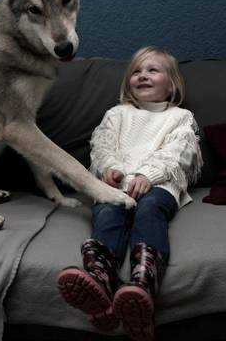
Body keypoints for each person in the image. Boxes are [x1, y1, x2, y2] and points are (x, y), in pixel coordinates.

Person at [56, 46, 203, 340]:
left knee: (149, 211)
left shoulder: (180, 117)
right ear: (127, 84)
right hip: (114, 187)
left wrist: (149, 174)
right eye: (136, 71)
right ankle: (100, 276)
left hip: (159, 185)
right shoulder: (117, 114)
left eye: (152, 70)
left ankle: (143, 282)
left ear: (171, 84)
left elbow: (181, 152)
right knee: (107, 213)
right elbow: (102, 145)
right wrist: (109, 168)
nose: (142, 76)